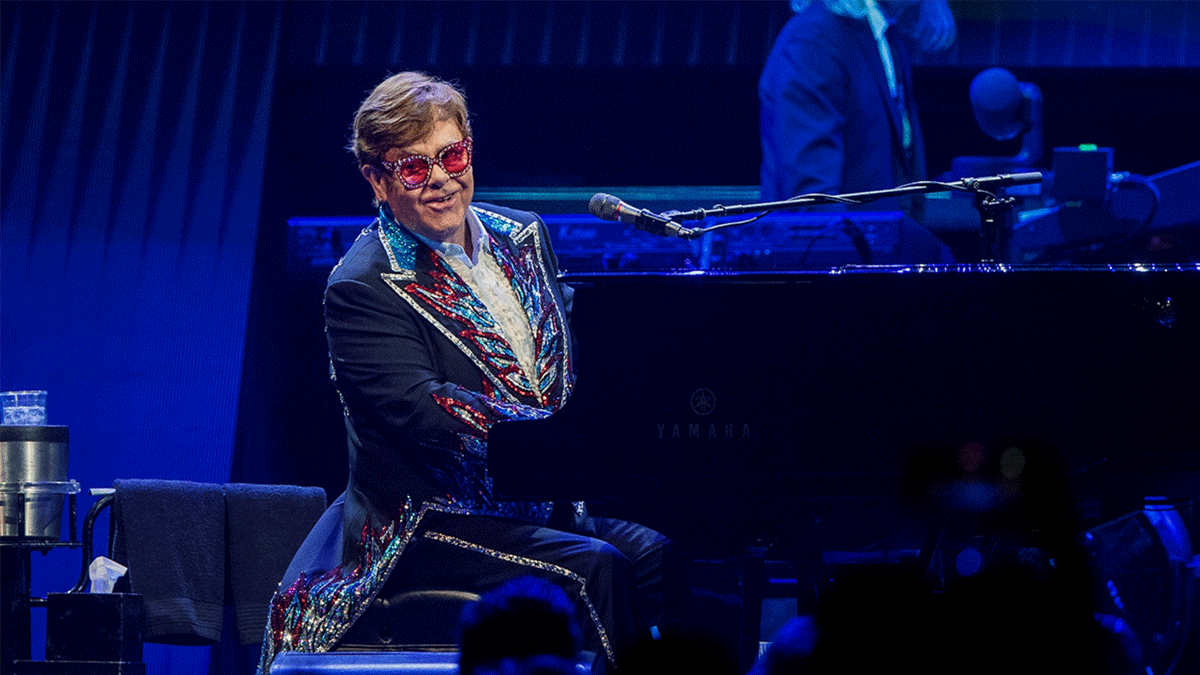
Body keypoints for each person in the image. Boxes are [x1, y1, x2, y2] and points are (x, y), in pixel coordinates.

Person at [258, 72, 674, 674]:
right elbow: (423, 408)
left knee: (659, 556)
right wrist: (553, 441)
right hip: (427, 522)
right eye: (413, 167)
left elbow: (566, 355)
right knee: (598, 568)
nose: (441, 179)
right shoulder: (361, 284)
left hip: (539, 502)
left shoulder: (523, 235)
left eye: (452, 156)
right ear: (377, 180)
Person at [759, 0, 956, 215]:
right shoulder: (814, 37)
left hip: (874, 235)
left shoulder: (886, 38)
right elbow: (813, 199)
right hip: (835, 236)